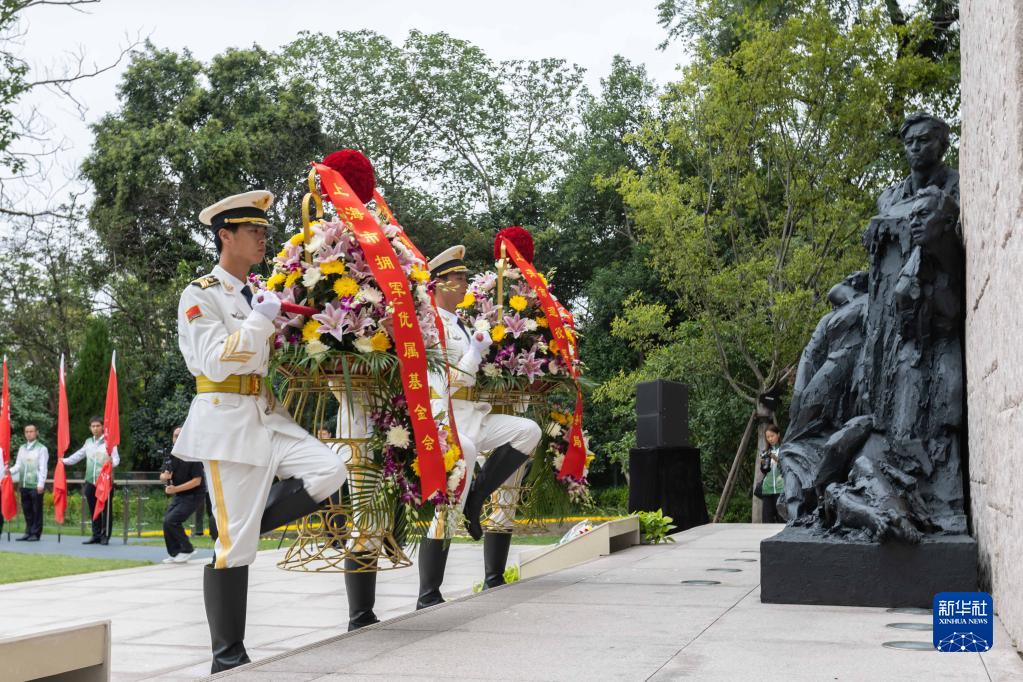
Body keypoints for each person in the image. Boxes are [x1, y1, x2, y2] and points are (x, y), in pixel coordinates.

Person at [172, 190, 347, 672]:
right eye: (253, 231)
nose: (262, 238)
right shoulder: (201, 293)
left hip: (268, 413)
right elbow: (212, 361)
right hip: (226, 420)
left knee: (330, 470)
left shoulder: (256, 293)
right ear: (225, 236)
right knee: (234, 549)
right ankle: (228, 659)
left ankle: (240, 530)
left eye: (265, 231)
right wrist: (258, 320)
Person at [416, 245, 541, 609]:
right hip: (447, 417)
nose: (463, 284)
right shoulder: (431, 324)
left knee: (528, 431)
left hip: (474, 413)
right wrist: (474, 355)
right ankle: (429, 594)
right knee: (447, 504)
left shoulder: (460, 323)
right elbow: (443, 379)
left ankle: (477, 497)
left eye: (464, 278)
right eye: (457, 278)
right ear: (439, 283)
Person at [62, 416, 120, 544]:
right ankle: (96, 535)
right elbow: (79, 455)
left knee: (105, 509)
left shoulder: (109, 442)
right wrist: (64, 461)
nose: (95, 428)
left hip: (104, 481)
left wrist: (112, 462)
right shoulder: (88, 442)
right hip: (90, 480)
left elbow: (116, 459)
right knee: (93, 508)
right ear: (90, 428)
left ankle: (105, 536)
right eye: (93, 426)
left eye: (98, 426)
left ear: (102, 427)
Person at [160, 426, 204, 563]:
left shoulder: (193, 456)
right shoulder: (171, 455)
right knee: (166, 522)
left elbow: (197, 481)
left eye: (180, 436)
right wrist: (165, 477)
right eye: (175, 436)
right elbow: (163, 475)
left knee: (172, 520)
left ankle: (187, 549)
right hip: (180, 495)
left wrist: (175, 489)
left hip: (194, 495)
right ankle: (175, 553)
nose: (177, 438)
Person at [3, 425, 48, 541]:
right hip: (24, 484)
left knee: (36, 510)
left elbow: (43, 468)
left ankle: (36, 533)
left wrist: (41, 484)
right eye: (27, 431)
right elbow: (18, 465)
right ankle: (28, 532)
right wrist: (10, 471)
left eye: (31, 431)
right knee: (27, 510)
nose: (29, 433)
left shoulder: (41, 449)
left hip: (35, 485)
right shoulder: (22, 448)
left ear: (36, 432)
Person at [758, 425, 784, 523]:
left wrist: (775, 458)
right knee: (767, 521)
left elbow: (786, 467)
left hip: (781, 489)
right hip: (767, 489)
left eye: (772, 436)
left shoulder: (784, 450)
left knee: (782, 520)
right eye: (768, 437)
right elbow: (764, 471)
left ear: (778, 434)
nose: (770, 439)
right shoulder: (766, 452)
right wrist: (762, 464)